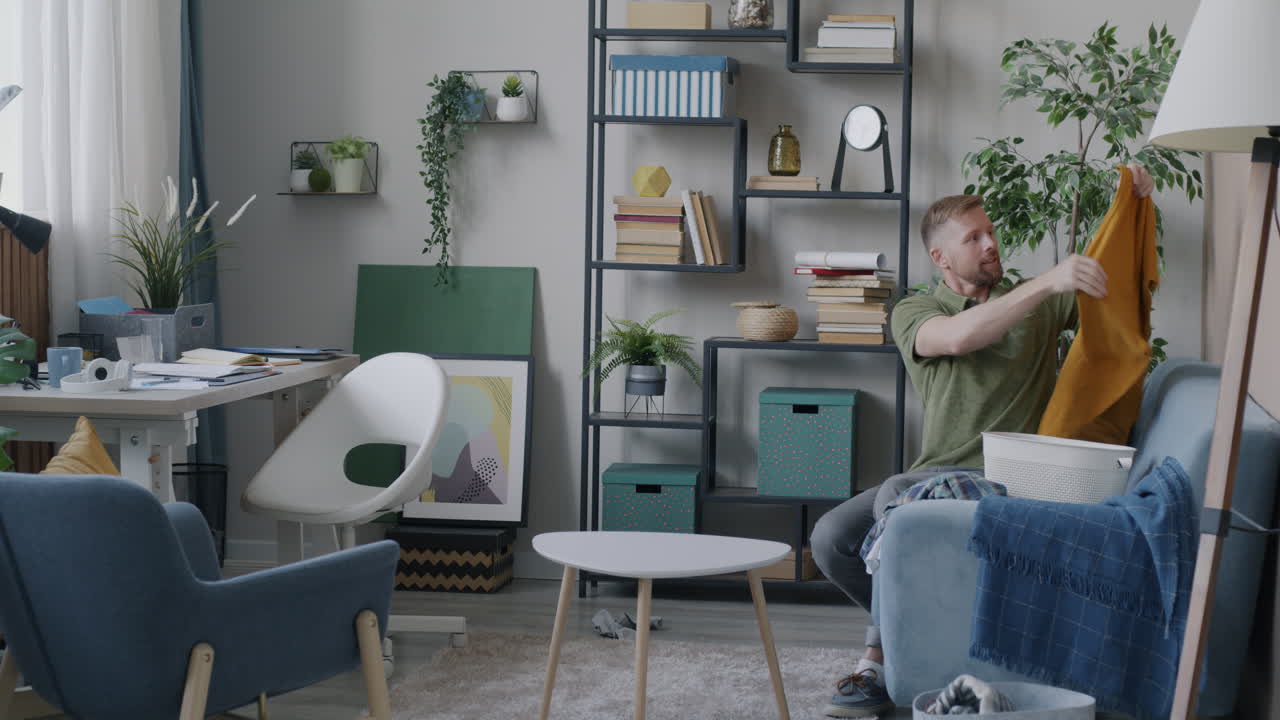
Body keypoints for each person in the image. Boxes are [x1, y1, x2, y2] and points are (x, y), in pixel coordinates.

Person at [810, 164, 1155, 718]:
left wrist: (1135, 210)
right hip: (936, 473)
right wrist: (1049, 281)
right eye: (974, 238)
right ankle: (922, 637)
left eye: (990, 231)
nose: (991, 242)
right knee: (829, 537)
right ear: (941, 259)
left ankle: (873, 664)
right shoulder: (914, 310)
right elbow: (961, 337)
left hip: (1009, 479)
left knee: (894, 500)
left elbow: (1110, 287)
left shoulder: (1033, 304)